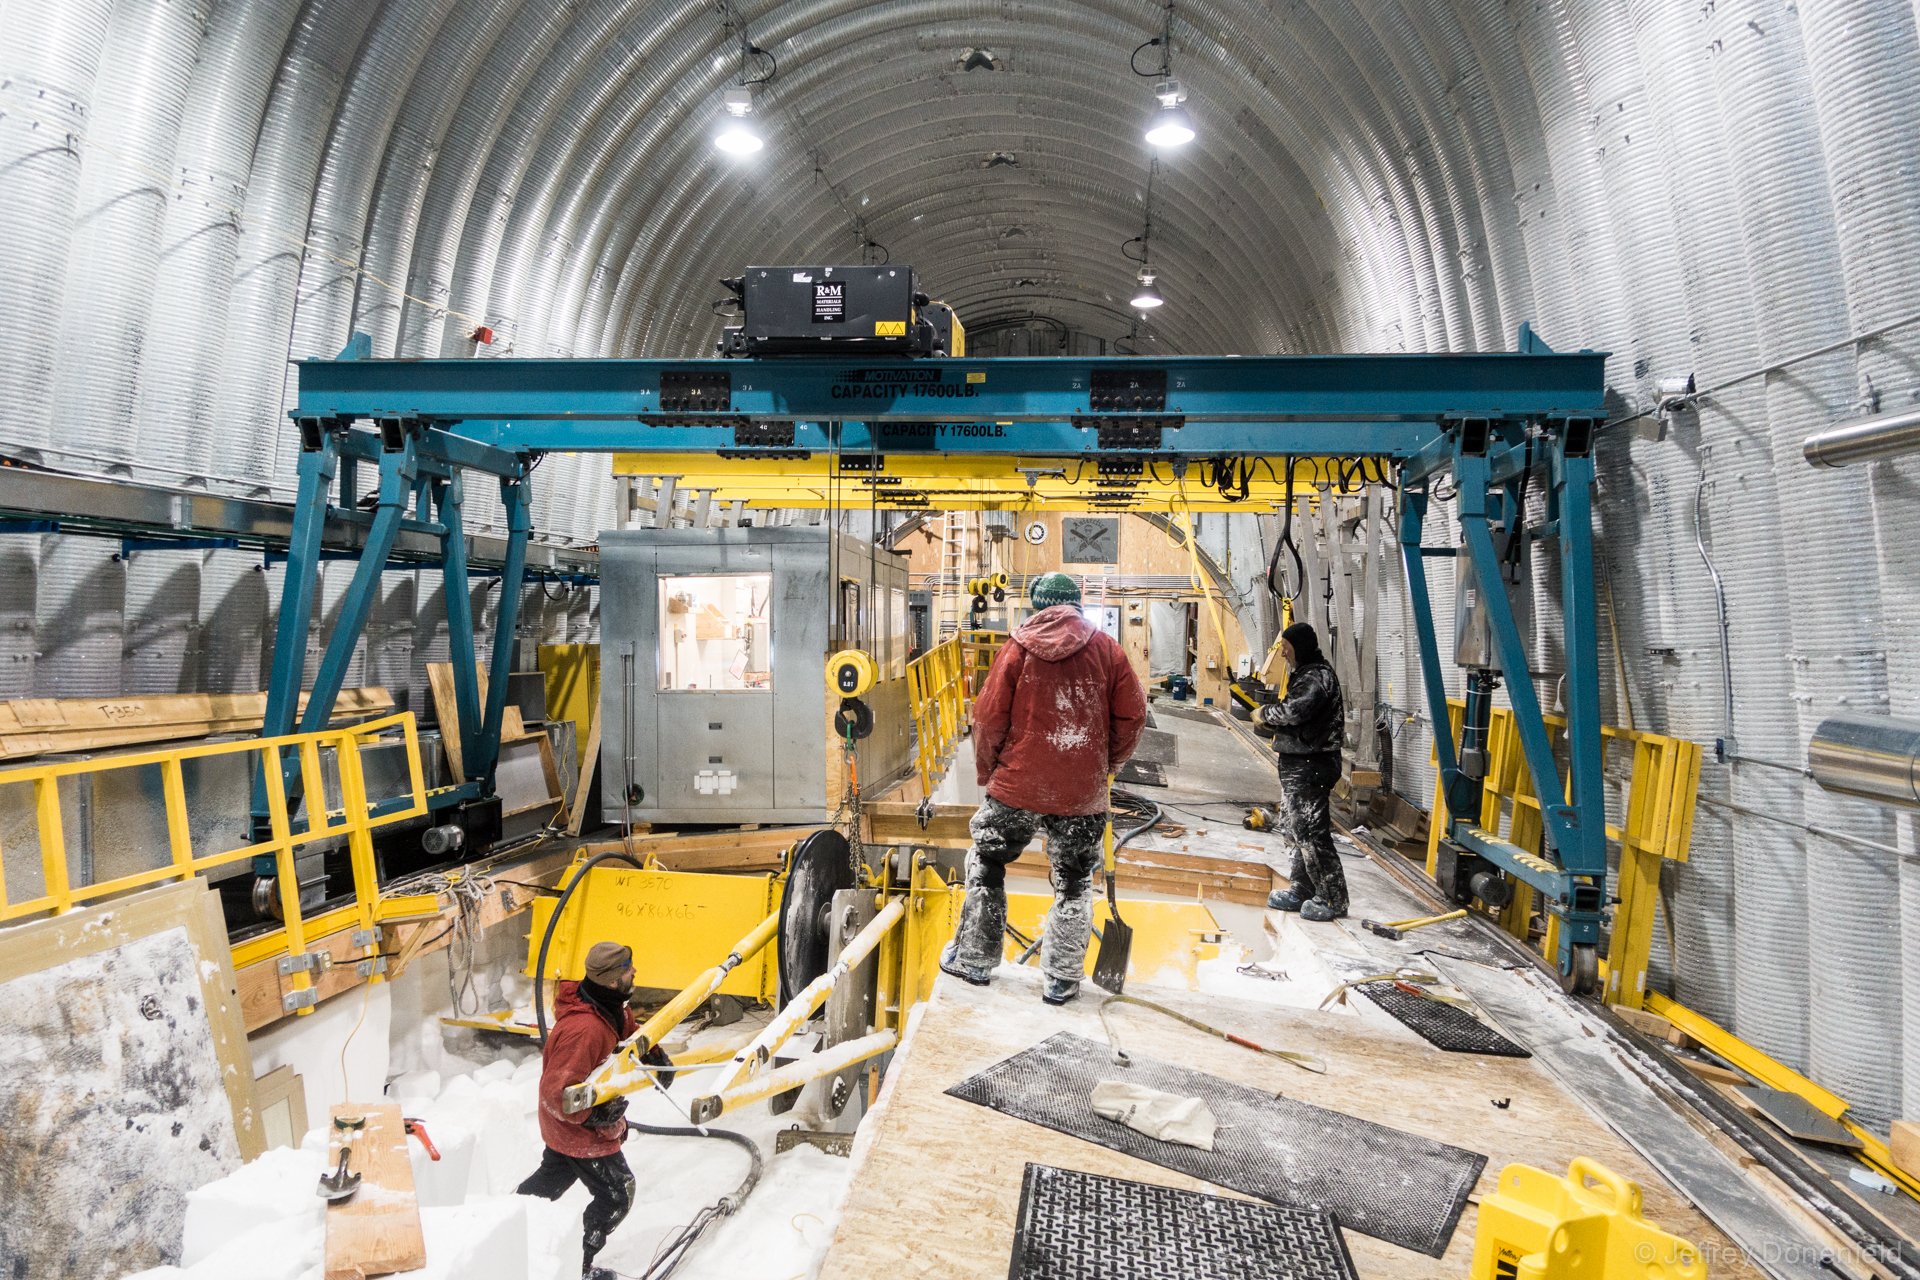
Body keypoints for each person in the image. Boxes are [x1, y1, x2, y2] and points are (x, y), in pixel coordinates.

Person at [940, 572, 1148, 1005]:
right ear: (1077, 604)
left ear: (1038, 606)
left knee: (987, 862)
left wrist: (990, 773)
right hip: (1080, 792)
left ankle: (975, 961)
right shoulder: (1108, 650)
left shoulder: (1017, 648)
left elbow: (987, 719)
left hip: (1017, 784)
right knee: (1074, 880)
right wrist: (1105, 766)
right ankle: (1062, 978)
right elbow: (1132, 716)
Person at [517, 941, 640, 1280]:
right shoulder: (584, 1031)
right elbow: (555, 1094)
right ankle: (577, 1267)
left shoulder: (610, 1004)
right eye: (628, 968)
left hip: (570, 1128)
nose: (634, 971)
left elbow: (625, 1031)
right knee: (617, 1195)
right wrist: (596, 1116)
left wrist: (650, 1051)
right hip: (578, 1129)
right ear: (612, 981)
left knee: (550, 1182)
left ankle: (503, 1223)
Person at [1257, 622, 1348, 921]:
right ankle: (1302, 888)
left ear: (1301, 647)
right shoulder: (1304, 674)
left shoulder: (1317, 677)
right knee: (1294, 828)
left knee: (1311, 831)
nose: (1282, 652)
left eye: (1287, 647)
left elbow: (1293, 712)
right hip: (1298, 763)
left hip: (1313, 764)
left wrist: (1264, 714)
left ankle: (1333, 898)